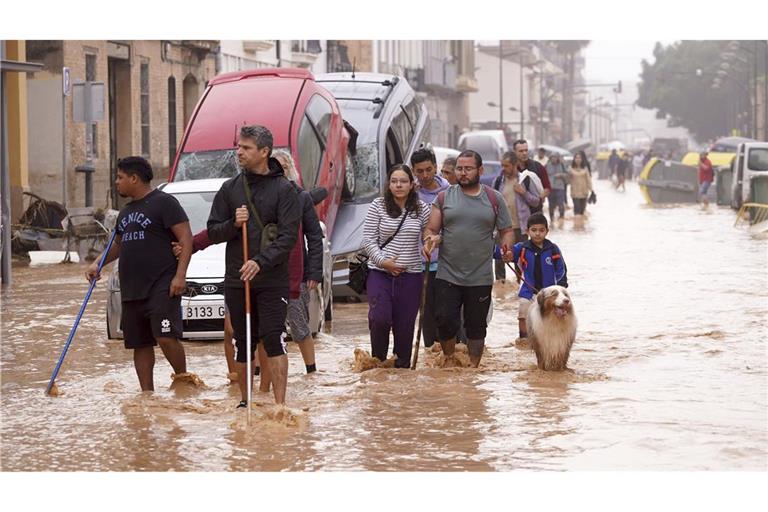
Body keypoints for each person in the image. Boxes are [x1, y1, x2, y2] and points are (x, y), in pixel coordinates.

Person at [207, 125, 300, 408]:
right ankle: (245, 403)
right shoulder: (229, 188)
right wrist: (233, 224)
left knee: (274, 337)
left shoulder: (285, 190)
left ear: (264, 152)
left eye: (246, 148)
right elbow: (213, 231)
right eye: (238, 146)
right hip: (238, 279)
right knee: (242, 340)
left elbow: (287, 239)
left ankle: (280, 406)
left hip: (272, 279)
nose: (239, 152)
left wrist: (260, 262)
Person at [85, 156, 194, 392]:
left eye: (120, 177)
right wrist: (97, 264)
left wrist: (180, 275)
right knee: (139, 343)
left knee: (165, 336)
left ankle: (183, 380)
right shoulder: (126, 212)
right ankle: (147, 394)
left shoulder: (165, 203)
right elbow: (118, 244)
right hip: (133, 287)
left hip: (162, 284)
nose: (116, 182)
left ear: (134, 178)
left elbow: (186, 238)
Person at [423, 150, 515, 368]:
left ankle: (473, 369)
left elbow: (507, 230)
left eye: (468, 169)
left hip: (480, 276)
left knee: (476, 327)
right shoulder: (444, 197)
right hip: (448, 273)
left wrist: (507, 248)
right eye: (459, 169)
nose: (463, 173)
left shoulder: (494, 198)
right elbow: (431, 228)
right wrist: (430, 240)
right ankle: (449, 361)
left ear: (480, 171)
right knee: (444, 321)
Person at [362, 164, 430, 368]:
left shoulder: (422, 209)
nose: (398, 185)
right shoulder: (378, 206)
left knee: (405, 327)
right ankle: (378, 364)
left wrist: (429, 244)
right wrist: (384, 262)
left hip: (411, 277)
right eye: (394, 181)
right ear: (388, 184)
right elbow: (368, 240)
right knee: (379, 319)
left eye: (403, 181)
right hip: (380, 273)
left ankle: (401, 371)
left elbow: (430, 233)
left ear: (411, 185)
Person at [273, 149, 323, 374]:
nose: (280, 172)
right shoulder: (264, 196)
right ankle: (259, 373)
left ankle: (311, 371)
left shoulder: (301, 197)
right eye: (276, 167)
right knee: (267, 328)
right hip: (269, 272)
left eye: (284, 167)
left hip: (298, 272)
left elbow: (314, 236)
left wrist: (314, 272)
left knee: (299, 324)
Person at [412, 148, 450, 349]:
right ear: (413, 171)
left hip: (446, 263)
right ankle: (431, 354)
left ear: (436, 167)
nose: (425, 175)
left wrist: (438, 239)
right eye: (420, 171)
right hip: (419, 264)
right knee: (426, 314)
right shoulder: (411, 194)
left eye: (428, 169)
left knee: (445, 314)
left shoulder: (449, 192)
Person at [510, 213, 568, 341]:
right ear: (527, 231)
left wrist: (560, 288)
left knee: (552, 317)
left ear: (547, 231)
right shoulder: (522, 248)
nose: (537, 233)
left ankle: (552, 340)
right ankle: (523, 340)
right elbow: (507, 254)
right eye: (534, 230)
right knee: (523, 314)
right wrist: (502, 253)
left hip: (549, 294)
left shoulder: (553, 249)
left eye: (541, 230)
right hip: (528, 292)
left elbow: (561, 269)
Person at [492, 151, 540, 282]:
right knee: (499, 259)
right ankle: (501, 288)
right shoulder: (497, 182)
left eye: (506, 165)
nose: (504, 168)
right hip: (502, 228)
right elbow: (491, 203)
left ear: (515, 165)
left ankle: (520, 286)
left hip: (521, 227)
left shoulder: (525, 180)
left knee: (520, 259)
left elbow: (536, 201)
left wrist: (524, 193)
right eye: (502, 165)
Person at [513, 139, 551, 212]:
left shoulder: (538, 167)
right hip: (517, 212)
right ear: (514, 152)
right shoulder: (511, 169)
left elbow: (547, 188)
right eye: (521, 151)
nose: (524, 153)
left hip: (535, 211)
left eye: (526, 150)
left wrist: (538, 199)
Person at [569, 151, 593, 221]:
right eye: (576, 158)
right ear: (574, 159)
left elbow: (589, 180)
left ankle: (581, 228)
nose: (578, 159)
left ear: (582, 159)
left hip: (584, 193)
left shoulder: (585, 169)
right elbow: (567, 181)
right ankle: (577, 228)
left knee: (582, 212)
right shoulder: (570, 169)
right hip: (575, 194)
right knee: (577, 212)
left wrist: (592, 190)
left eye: (579, 158)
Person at [545, 153, 568, 221]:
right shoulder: (547, 166)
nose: (554, 159)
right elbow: (543, 175)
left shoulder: (562, 165)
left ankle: (561, 219)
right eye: (552, 157)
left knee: (561, 204)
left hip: (560, 188)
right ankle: (551, 219)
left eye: (555, 157)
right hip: (550, 188)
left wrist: (561, 175)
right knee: (551, 205)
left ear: (558, 158)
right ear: (550, 158)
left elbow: (567, 174)